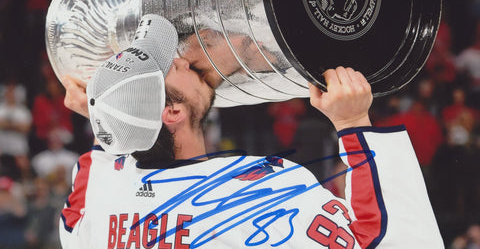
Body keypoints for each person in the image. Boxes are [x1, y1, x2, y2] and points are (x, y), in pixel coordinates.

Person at [59, 15, 444, 248]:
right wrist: (354, 123)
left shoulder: (99, 194)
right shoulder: (257, 193)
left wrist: (108, 108)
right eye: (170, 67)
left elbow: (92, 190)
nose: (179, 58)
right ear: (172, 110)